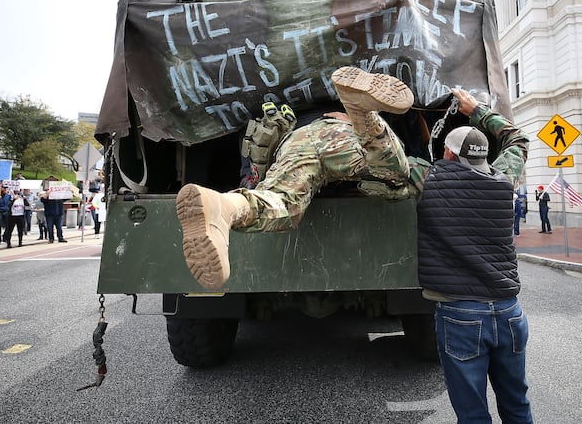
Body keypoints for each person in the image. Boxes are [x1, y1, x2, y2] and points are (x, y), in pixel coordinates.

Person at [175, 66, 414, 290]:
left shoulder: (273, 104)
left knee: (281, 202)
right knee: (394, 173)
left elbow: (252, 172)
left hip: (295, 140)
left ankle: (223, 205)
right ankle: (363, 113)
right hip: (340, 129)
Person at [417, 89, 532, 423]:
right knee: (517, 403)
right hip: (510, 312)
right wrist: (478, 110)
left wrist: (362, 121)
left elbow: (389, 156)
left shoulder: (429, 180)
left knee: (472, 413)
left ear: (449, 155)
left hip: (461, 314)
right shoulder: (503, 179)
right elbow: (518, 139)